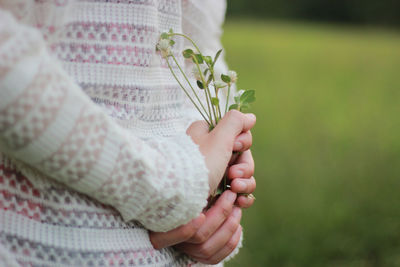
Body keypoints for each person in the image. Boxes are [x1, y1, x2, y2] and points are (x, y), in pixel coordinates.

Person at [0, 0, 256, 266]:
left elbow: (199, 45)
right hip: (50, 242)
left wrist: (224, 148)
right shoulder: (180, 183)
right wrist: (173, 184)